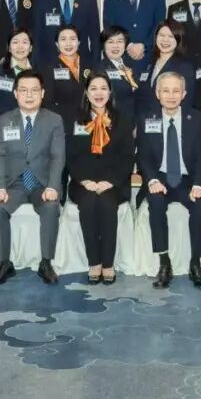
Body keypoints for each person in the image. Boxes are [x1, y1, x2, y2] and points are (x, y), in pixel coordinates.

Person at [136, 72, 201, 290]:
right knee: (156, 203)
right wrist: (151, 180)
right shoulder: (146, 119)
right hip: (160, 178)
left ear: (184, 94)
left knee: (200, 205)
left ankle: (195, 263)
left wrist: (198, 184)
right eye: (166, 91)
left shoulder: (197, 119)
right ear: (157, 93)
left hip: (188, 179)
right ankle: (164, 262)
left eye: (176, 91)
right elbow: (143, 156)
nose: (171, 96)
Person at [0, 71, 66, 285]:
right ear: (15, 93)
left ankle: (46, 263)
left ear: (42, 93)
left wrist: (53, 186)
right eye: (23, 90)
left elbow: (58, 156)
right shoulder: (4, 120)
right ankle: (4, 263)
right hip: (14, 183)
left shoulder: (54, 120)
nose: (29, 95)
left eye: (34, 90)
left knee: (51, 207)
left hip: (42, 183)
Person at [66, 71, 135, 285]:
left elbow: (127, 156)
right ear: (86, 93)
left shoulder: (122, 119)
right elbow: (70, 156)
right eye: (93, 88)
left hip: (114, 183)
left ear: (110, 92)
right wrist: (84, 180)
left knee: (106, 204)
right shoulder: (75, 119)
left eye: (103, 88)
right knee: (87, 204)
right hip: (82, 182)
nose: (99, 93)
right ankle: (94, 262)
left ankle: (108, 263)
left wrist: (110, 181)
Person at [135, 20, 196, 115]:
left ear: (178, 39)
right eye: (162, 35)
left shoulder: (185, 67)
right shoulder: (149, 63)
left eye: (170, 36)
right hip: (146, 119)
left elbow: (186, 102)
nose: (165, 40)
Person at [41, 25, 87, 129]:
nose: (68, 43)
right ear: (57, 44)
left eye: (73, 39)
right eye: (63, 39)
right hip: (63, 123)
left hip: (91, 122)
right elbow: (47, 103)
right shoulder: (49, 68)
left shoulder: (90, 65)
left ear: (79, 42)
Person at [0, 27, 34, 117]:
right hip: (7, 121)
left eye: (24, 42)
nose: (20, 46)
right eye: (15, 42)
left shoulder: (38, 71)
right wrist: (17, 116)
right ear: (9, 48)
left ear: (30, 48)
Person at [94, 26, 139, 118]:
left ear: (125, 44)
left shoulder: (131, 64)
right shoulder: (99, 70)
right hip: (115, 120)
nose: (115, 46)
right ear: (103, 46)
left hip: (135, 119)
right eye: (110, 42)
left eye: (119, 41)